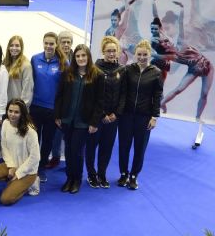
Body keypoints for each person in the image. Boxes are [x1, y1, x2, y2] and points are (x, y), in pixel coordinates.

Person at [54, 44, 104, 194]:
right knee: (68, 150)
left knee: (77, 151)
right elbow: (60, 96)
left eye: (83, 55)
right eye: (78, 56)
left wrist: (94, 122)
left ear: (88, 57)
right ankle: (69, 178)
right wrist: (57, 115)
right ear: (74, 58)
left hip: (84, 122)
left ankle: (77, 179)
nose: (81, 58)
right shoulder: (68, 73)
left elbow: (100, 101)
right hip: (67, 119)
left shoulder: (97, 75)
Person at [117, 40, 163, 190]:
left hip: (144, 117)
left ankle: (134, 176)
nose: (142, 57)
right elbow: (122, 91)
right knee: (123, 146)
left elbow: (157, 96)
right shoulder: (128, 70)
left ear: (150, 55)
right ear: (135, 54)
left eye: (145, 54)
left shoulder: (156, 73)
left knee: (139, 148)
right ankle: (124, 173)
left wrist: (154, 117)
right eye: (139, 54)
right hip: (126, 116)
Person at [156, 1, 213, 121]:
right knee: (178, 89)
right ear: (165, 49)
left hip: (207, 67)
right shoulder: (171, 57)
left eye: (167, 41)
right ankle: (162, 104)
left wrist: (182, 9)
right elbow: (154, 54)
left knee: (204, 94)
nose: (167, 43)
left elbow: (180, 23)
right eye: (164, 44)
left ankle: (198, 117)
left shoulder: (181, 41)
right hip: (194, 70)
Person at [0, 99, 40, 205]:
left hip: (28, 171)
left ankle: (32, 182)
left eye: (16, 112)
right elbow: (4, 146)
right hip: (12, 165)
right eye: (10, 111)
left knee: (5, 199)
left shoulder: (30, 131)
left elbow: (35, 157)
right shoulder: (6, 123)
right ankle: (14, 182)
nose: (12, 114)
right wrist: (11, 166)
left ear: (22, 113)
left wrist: (19, 173)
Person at [87, 36, 123, 188]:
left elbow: (123, 95)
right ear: (103, 51)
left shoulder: (122, 70)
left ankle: (102, 174)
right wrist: (102, 115)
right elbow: (92, 96)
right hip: (97, 117)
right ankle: (91, 174)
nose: (111, 54)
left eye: (114, 51)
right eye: (108, 51)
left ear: (118, 52)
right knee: (91, 147)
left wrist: (116, 114)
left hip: (113, 119)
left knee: (106, 148)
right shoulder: (94, 69)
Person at [30, 32, 67, 182]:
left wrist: (61, 112)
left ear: (56, 44)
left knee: (47, 141)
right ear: (43, 43)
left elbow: (65, 89)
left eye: (52, 43)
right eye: (46, 43)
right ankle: (32, 167)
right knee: (33, 139)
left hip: (52, 110)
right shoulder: (34, 59)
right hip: (35, 108)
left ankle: (41, 168)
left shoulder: (63, 62)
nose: (49, 46)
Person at [48, 30, 74, 169]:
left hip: (69, 103)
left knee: (68, 134)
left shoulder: (76, 57)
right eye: (63, 42)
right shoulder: (54, 58)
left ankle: (70, 160)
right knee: (55, 133)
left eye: (68, 42)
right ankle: (56, 156)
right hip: (53, 101)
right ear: (58, 43)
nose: (65, 44)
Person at [3, 35, 33, 107]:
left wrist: (21, 108)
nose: (14, 48)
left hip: (17, 109)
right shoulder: (5, 62)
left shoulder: (26, 65)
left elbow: (27, 91)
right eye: (12, 45)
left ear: (21, 47)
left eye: (17, 46)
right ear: (8, 47)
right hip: (5, 106)